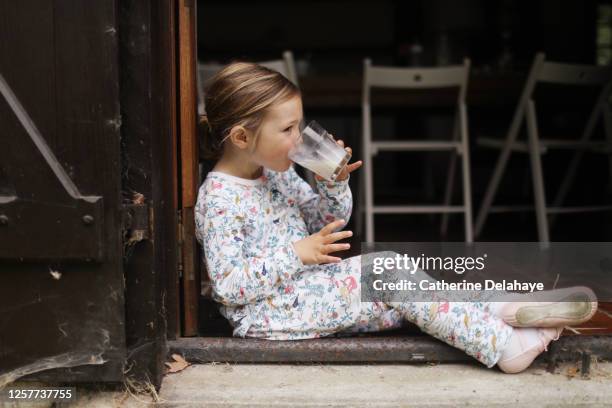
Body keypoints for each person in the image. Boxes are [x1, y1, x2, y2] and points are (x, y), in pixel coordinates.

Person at [194, 62, 598, 374]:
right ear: (242, 138)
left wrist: (330, 183)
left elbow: (325, 223)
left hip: (306, 292)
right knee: (388, 275)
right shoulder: (219, 198)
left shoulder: (275, 175)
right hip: (269, 315)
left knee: (404, 284)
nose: (299, 139)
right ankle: (504, 346)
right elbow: (229, 286)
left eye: (299, 125)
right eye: (287, 129)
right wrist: (296, 254)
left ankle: (500, 308)